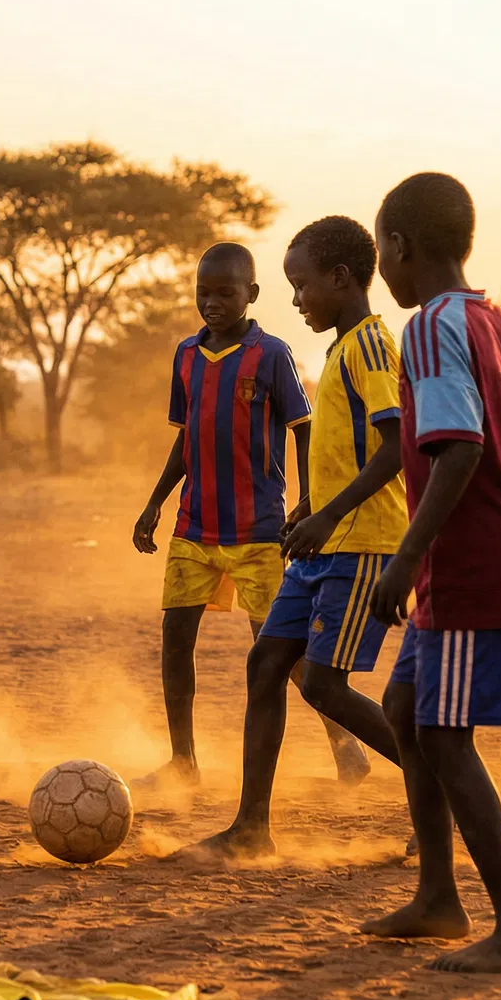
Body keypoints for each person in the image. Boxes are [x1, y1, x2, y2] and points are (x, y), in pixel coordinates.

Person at [361, 172, 501, 972]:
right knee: (408, 703)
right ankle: (437, 897)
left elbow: (462, 446)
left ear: (398, 247)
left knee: (445, 738)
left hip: (470, 551)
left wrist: (406, 559)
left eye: (383, 247)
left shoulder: (428, 326)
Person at [197, 217, 408, 860]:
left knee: (323, 683)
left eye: (301, 285)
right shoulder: (341, 347)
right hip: (326, 541)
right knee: (266, 665)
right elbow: (351, 450)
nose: (295, 300)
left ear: (341, 279)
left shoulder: (372, 347)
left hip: (364, 543)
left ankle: (449, 783)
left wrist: (326, 514)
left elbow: (397, 446)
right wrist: (312, 508)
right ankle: (250, 829)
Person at [131, 242, 369, 798]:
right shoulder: (186, 355)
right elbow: (185, 438)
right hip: (194, 526)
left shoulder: (272, 356)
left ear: (252, 295)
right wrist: (155, 501)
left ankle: (345, 746)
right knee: (174, 641)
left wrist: (308, 500)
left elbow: (303, 429)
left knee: (280, 651)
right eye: (203, 293)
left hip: (260, 531)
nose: (212, 303)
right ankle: (183, 760)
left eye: (225, 293)